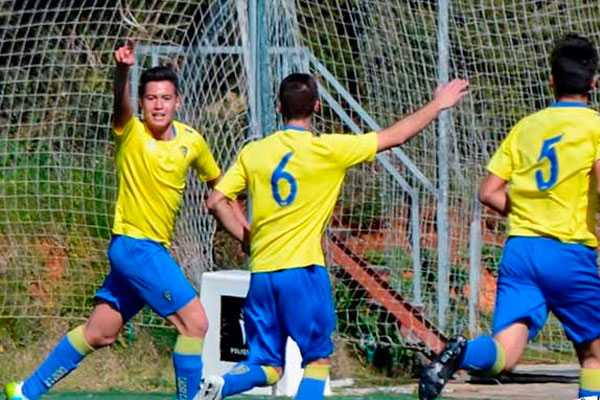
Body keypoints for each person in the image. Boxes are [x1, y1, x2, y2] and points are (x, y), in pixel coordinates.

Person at [196, 73, 468, 400]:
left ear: (279, 106)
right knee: (317, 360)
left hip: (262, 276)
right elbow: (394, 137)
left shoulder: (255, 152)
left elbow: (215, 201)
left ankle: (225, 384)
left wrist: (247, 236)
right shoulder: (330, 149)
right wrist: (438, 104)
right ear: (317, 106)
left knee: (267, 365)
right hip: (303, 271)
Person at [4, 41, 240, 400]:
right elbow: (120, 104)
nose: (158, 105)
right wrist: (123, 72)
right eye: (151, 98)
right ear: (142, 103)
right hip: (136, 247)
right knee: (196, 324)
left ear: (177, 102)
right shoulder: (131, 133)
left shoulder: (193, 141)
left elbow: (219, 188)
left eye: (165, 98)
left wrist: (244, 227)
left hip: (146, 251)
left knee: (100, 332)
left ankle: (24, 391)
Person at [419, 33, 600, 400]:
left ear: (551, 80)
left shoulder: (525, 127)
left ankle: (462, 352)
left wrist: (528, 211)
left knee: (504, 354)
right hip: (568, 252)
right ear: (594, 82)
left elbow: (488, 192)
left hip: (520, 252)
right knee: (594, 356)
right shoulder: (595, 127)